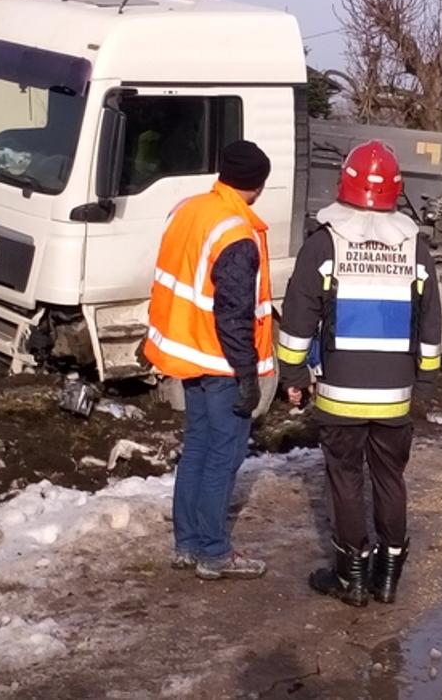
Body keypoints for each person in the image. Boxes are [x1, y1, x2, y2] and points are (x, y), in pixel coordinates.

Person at [276, 140, 442, 608]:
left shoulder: (323, 244)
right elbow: (430, 323)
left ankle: (351, 576)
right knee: (390, 480)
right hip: (396, 397)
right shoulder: (416, 250)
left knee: (345, 481)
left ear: (343, 184)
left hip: (338, 394)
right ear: (397, 189)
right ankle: (388, 576)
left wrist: (294, 374)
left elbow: (298, 318)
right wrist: (425, 383)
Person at [144, 141, 276, 580]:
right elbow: (234, 314)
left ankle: (187, 544)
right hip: (220, 361)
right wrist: (247, 375)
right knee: (223, 454)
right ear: (257, 184)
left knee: (197, 447)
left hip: (186, 353)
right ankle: (214, 552)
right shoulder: (236, 234)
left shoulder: (190, 209)